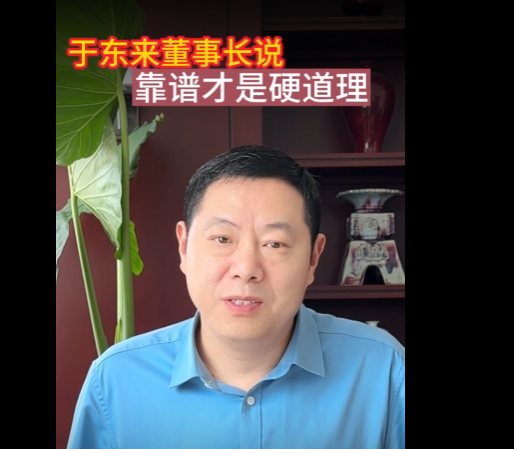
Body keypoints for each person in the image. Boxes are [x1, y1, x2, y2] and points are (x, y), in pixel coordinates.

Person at [67, 145, 405, 449]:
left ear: (313, 259)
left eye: (275, 244)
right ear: (184, 247)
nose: (246, 269)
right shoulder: (116, 380)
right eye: (222, 239)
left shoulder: (382, 369)